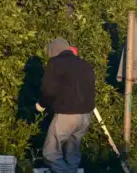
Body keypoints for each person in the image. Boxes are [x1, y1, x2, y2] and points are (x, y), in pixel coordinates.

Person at [36, 38, 95, 173]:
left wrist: (41, 104)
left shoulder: (56, 63)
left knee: (50, 152)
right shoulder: (84, 64)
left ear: (53, 51)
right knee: (72, 154)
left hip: (67, 115)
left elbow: (48, 90)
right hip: (85, 116)